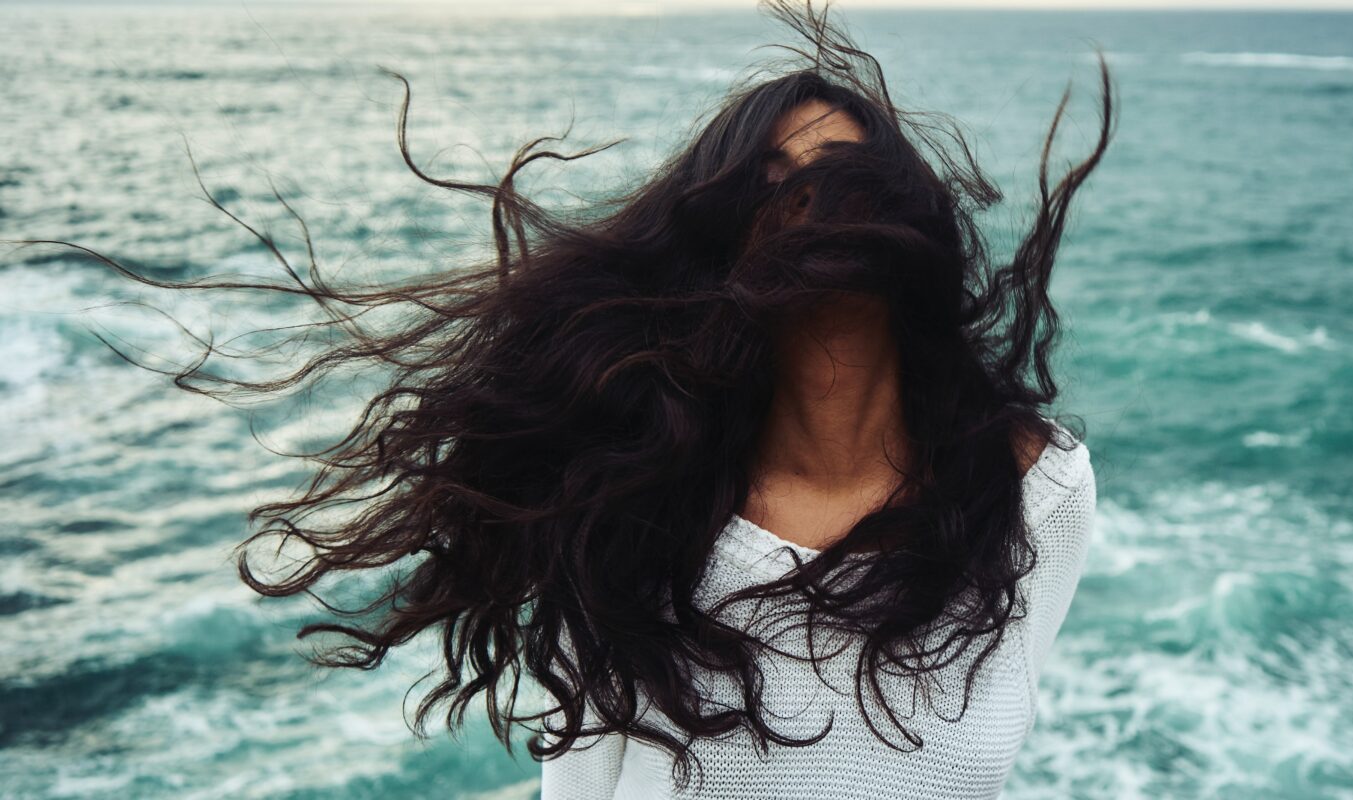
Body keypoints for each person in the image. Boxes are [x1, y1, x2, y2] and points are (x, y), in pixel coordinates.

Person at [10, 1, 1114, 797]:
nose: (812, 203)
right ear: (720, 234)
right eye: (771, 183)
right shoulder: (646, 500)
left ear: (907, 217)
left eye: (841, 175)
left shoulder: (1036, 488)